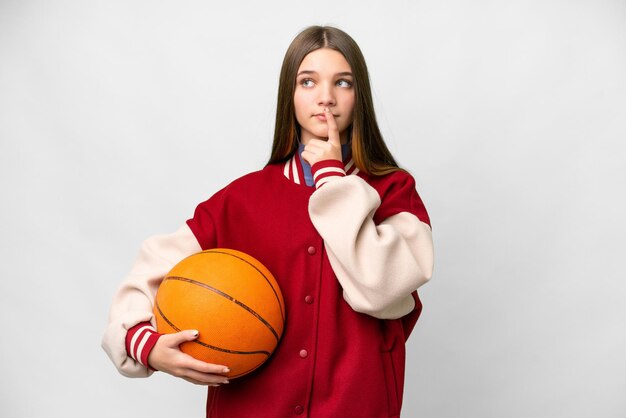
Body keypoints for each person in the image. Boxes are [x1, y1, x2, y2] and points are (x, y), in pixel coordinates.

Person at [102, 25, 434, 418]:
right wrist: (147, 345)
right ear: (289, 97)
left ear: (359, 95)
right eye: (307, 82)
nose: (325, 98)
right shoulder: (242, 199)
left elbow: (381, 289)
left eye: (341, 82)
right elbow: (151, 268)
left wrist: (331, 179)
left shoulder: (394, 191)